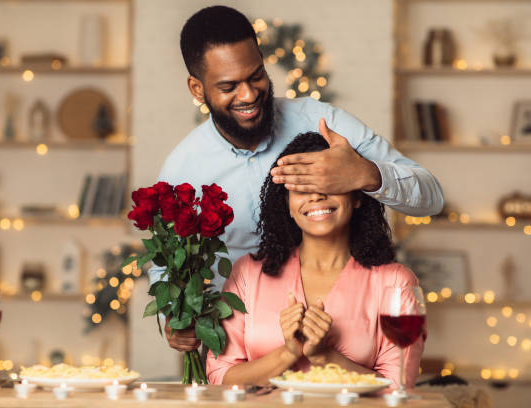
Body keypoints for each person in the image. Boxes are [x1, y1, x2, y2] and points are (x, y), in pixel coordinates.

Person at [154, 5, 442, 352]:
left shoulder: (323, 122)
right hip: (237, 346)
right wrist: (173, 319)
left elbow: (431, 196)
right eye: (229, 86)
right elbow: (166, 264)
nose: (248, 95)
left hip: (340, 333)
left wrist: (365, 173)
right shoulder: (182, 170)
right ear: (197, 89)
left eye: (256, 75)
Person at [206, 132, 425, 387]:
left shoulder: (396, 282)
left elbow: (399, 388)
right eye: (302, 187)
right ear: (286, 203)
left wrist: (326, 357)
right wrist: (287, 353)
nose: (316, 196)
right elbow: (219, 377)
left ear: (356, 197)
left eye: (330, 184)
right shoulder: (247, 273)